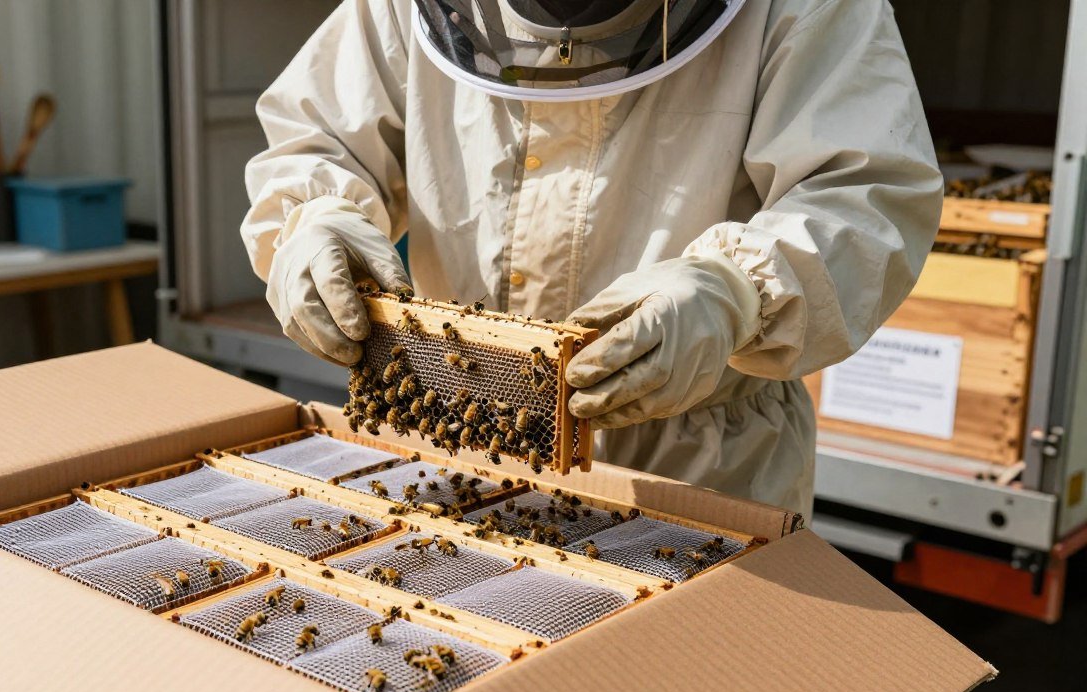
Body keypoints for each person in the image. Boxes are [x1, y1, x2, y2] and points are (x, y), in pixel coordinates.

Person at [241, 0, 943, 523]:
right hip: (455, 439)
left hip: (698, 469)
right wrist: (314, 216)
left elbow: (863, 197)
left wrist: (736, 291)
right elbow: (319, 135)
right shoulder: (401, 9)